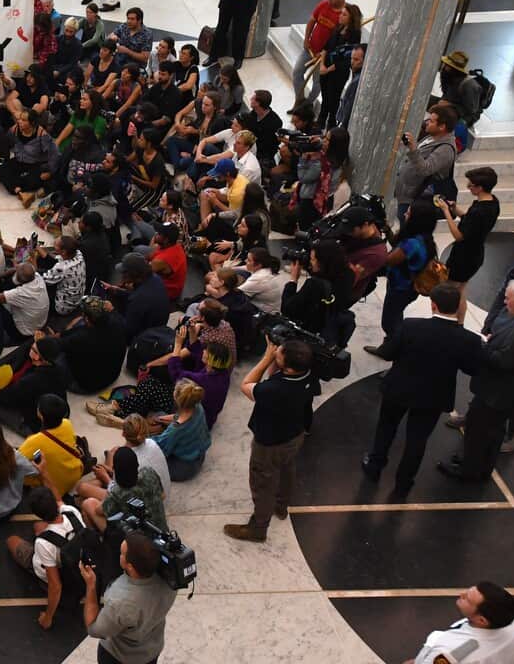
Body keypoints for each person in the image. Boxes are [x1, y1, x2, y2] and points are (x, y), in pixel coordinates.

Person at [361, 282, 483, 496]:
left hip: (398, 388)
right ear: (457, 307)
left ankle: (374, 467)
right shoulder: (468, 339)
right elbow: (472, 368)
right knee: (417, 440)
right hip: (433, 397)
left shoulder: (410, 325)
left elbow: (388, 353)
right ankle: (403, 484)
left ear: (433, 305)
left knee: (386, 428)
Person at [224, 339, 318, 542]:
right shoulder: (308, 374)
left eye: (280, 353)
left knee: (263, 484)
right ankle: (281, 506)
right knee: (286, 469)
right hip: (294, 435)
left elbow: (246, 385)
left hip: (269, 445)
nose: (277, 351)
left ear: (289, 366)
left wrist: (267, 358)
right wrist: (278, 360)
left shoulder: (274, 390)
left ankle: (258, 528)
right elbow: (275, 376)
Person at [439, 280, 514, 483]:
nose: (504, 303)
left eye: (508, 299)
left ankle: (468, 469)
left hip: (497, 392)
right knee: (492, 433)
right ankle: (481, 466)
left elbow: (504, 361)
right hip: (504, 392)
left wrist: (482, 345)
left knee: (478, 432)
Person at [80, 533, 178, 664]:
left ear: (130, 566)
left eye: (121, 553)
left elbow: (94, 629)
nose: (119, 555)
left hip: (120, 658)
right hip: (152, 651)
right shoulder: (172, 580)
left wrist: (91, 585)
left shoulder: (120, 602)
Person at [4, 486, 85, 631]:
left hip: (59, 574)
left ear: (37, 513)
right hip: (79, 565)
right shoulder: (72, 512)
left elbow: (55, 586)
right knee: (38, 527)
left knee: (11, 540)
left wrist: (48, 617)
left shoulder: (43, 543)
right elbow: (59, 499)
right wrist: (44, 473)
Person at [367, 200, 441, 354]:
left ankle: (395, 353)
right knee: (395, 316)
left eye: (409, 212)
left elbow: (386, 260)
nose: (405, 214)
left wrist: (373, 237)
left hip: (400, 288)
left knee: (389, 322)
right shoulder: (422, 237)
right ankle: (389, 347)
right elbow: (397, 243)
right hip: (407, 287)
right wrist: (387, 230)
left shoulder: (412, 244)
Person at [407, 582, 514, 664]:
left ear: (482, 620)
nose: (461, 594)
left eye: (467, 599)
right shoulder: (513, 628)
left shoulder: (452, 652)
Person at [0, 337, 67, 435]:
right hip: (56, 419)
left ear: (37, 357)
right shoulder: (59, 370)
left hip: (34, 426)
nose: (30, 350)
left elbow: (7, 398)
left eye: (33, 349)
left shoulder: (31, 380)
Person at [393, 104, 459, 222]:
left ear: (442, 127)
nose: (427, 122)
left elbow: (426, 169)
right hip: (407, 193)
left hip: (416, 197)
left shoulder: (446, 149)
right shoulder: (432, 137)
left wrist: (413, 149)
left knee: (408, 230)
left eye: (432, 121)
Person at [440, 166, 501, 286]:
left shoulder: (478, 211)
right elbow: (471, 223)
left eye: (471, 185)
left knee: (449, 291)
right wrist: (455, 209)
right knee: (461, 289)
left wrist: (446, 211)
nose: (468, 187)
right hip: (475, 255)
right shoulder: (493, 202)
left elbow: (459, 236)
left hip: (463, 258)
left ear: (480, 188)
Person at [18, 394, 86, 495]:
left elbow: (14, 461)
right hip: (75, 473)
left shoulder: (34, 441)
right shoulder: (67, 424)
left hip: (54, 488)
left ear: (40, 414)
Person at [291, 0, 348, 104]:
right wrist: (306, 39)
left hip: (324, 57)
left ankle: (309, 103)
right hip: (310, 49)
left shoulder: (344, 15)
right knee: (297, 72)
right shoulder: (323, 4)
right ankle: (300, 100)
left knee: (317, 82)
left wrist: (324, 54)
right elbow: (312, 21)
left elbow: (340, 41)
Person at [152, 379, 212, 481]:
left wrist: (144, 435)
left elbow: (160, 448)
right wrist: (161, 419)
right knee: (160, 415)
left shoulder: (176, 429)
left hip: (183, 468)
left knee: (148, 460)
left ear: (177, 398)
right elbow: (178, 417)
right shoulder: (198, 406)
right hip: (199, 456)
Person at [103, 252, 172, 340]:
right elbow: (136, 294)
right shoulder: (154, 278)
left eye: (124, 273)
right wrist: (115, 290)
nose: (122, 275)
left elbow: (128, 331)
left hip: (145, 337)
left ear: (133, 274)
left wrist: (111, 311)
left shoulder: (139, 299)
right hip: (156, 324)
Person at [315, 5, 363, 130]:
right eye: (341, 13)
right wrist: (322, 65)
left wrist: (328, 69)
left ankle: (331, 122)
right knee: (325, 96)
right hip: (326, 68)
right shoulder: (337, 28)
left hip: (338, 72)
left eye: (344, 15)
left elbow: (346, 58)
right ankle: (321, 120)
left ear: (351, 18)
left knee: (333, 98)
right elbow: (326, 46)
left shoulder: (354, 34)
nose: (340, 16)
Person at [0, 263, 50, 342]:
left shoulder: (21, 293)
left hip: (23, 332)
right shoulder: (37, 277)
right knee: (8, 285)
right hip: (39, 323)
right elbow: (15, 269)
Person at [341, 207, 389, 300]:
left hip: (346, 293)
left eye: (351, 229)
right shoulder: (363, 230)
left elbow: (351, 277)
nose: (347, 232)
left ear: (365, 225)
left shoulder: (376, 254)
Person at [438, 50, 486, 127]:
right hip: (452, 105)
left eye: (446, 65)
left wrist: (450, 104)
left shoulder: (469, 85)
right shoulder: (450, 77)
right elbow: (447, 94)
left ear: (452, 68)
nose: (443, 66)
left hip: (466, 115)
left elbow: (471, 110)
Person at [334, 44, 366, 130]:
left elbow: (349, 106)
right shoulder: (356, 75)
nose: (352, 62)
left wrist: (342, 126)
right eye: (351, 58)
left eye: (356, 59)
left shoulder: (358, 81)